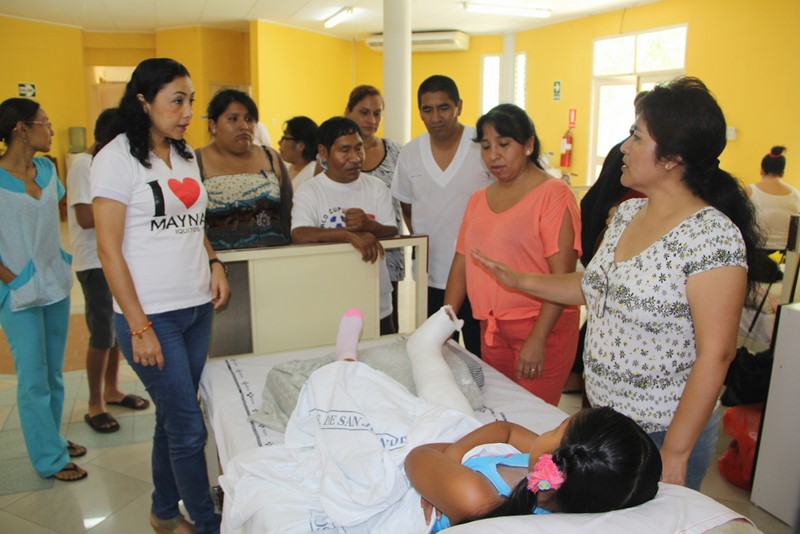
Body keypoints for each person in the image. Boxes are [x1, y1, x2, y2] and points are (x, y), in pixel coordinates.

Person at [472, 77, 764, 491]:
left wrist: (676, 452)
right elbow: (595, 286)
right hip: (606, 424)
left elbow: (716, 354)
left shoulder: (711, 237)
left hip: (662, 432)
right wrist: (518, 279)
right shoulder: (628, 215)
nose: (624, 148)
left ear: (672, 158)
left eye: (636, 136)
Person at [91, 58, 230, 534]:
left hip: (196, 308)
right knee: (188, 427)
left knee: (173, 416)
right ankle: (206, 522)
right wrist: (139, 326)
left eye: (190, 101)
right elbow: (108, 250)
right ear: (144, 102)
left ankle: (163, 513)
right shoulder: (115, 159)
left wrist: (214, 262)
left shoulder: (185, 154)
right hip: (152, 316)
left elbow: (193, 223)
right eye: (176, 101)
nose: (188, 111)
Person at [445, 104, 581, 406]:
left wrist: (538, 338)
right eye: (486, 146)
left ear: (528, 145)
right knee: (502, 412)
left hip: (542, 327)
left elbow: (562, 276)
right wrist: (445, 325)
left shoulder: (554, 194)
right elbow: (461, 263)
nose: (493, 155)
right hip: (492, 329)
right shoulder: (478, 199)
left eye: (504, 145)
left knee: (534, 418)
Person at [0, 98, 88, 482]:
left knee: (53, 375)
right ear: (20, 128)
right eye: (44, 123)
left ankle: (52, 439)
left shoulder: (49, 171)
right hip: (17, 292)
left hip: (55, 285)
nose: (51, 130)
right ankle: (49, 459)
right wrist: (12, 279)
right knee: (33, 380)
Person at [405, 406, 661, 530]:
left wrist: (441, 471)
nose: (546, 432)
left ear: (555, 458)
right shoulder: (561, 474)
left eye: (558, 427)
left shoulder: (477, 499)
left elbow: (415, 456)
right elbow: (507, 430)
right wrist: (454, 455)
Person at [391, 75, 492, 356]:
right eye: (428, 109)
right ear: (420, 112)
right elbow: (407, 206)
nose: (436, 117)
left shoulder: (482, 146)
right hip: (431, 275)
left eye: (444, 108)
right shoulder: (410, 153)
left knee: (481, 355)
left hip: (480, 273)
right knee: (437, 355)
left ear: (459, 106)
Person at [68, 108, 151, 434]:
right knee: (102, 335)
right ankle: (95, 404)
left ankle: (112, 390)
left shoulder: (113, 163)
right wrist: (128, 207)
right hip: (94, 262)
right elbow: (85, 217)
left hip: (116, 260)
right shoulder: (83, 164)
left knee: (117, 331)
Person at [291, 116, 398, 334]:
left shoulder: (376, 187)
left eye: (359, 148)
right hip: (329, 297)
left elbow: (391, 230)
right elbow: (299, 234)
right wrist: (348, 235)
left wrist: (369, 225)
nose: (355, 158)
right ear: (323, 152)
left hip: (375, 296)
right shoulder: (309, 191)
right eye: (344, 150)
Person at [196, 89, 292, 250]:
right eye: (233, 119)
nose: (244, 126)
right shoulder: (197, 161)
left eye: (249, 119)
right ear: (213, 125)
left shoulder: (271, 157)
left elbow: (288, 211)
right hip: (219, 260)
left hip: (273, 256)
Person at [344, 85, 405, 331]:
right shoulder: (331, 153)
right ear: (348, 112)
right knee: (350, 322)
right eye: (364, 112)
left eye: (377, 113)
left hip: (388, 251)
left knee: (387, 325)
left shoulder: (395, 151)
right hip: (348, 252)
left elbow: (406, 200)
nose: (372, 120)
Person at [746, 146, 799, 252]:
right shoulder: (796, 195)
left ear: (762, 170)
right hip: (786, 253)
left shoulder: (749, 191)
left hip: (755, 247)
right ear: (782, 172)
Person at [278, 116, 318, 189]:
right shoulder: (287, 166)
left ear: (301, 145)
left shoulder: (312, 174)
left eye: (285, 138)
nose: (279, 142)